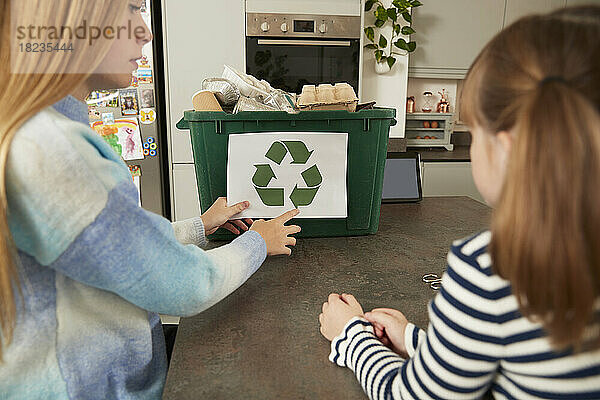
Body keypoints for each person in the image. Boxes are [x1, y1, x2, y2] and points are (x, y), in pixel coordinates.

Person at [0, 0, 299, 398]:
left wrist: (200, 226)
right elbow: (187, 284)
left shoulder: (36, 130)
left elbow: (110, 248)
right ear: (74, 21)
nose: (146, 30)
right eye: (129, 8)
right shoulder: (55, 150)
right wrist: (259, 241)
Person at [319, 5, 600, 399]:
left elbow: (413, 395)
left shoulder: (494, 268)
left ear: (506, 150)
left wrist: (352, 339)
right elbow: (503, 361)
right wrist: (417, 341)